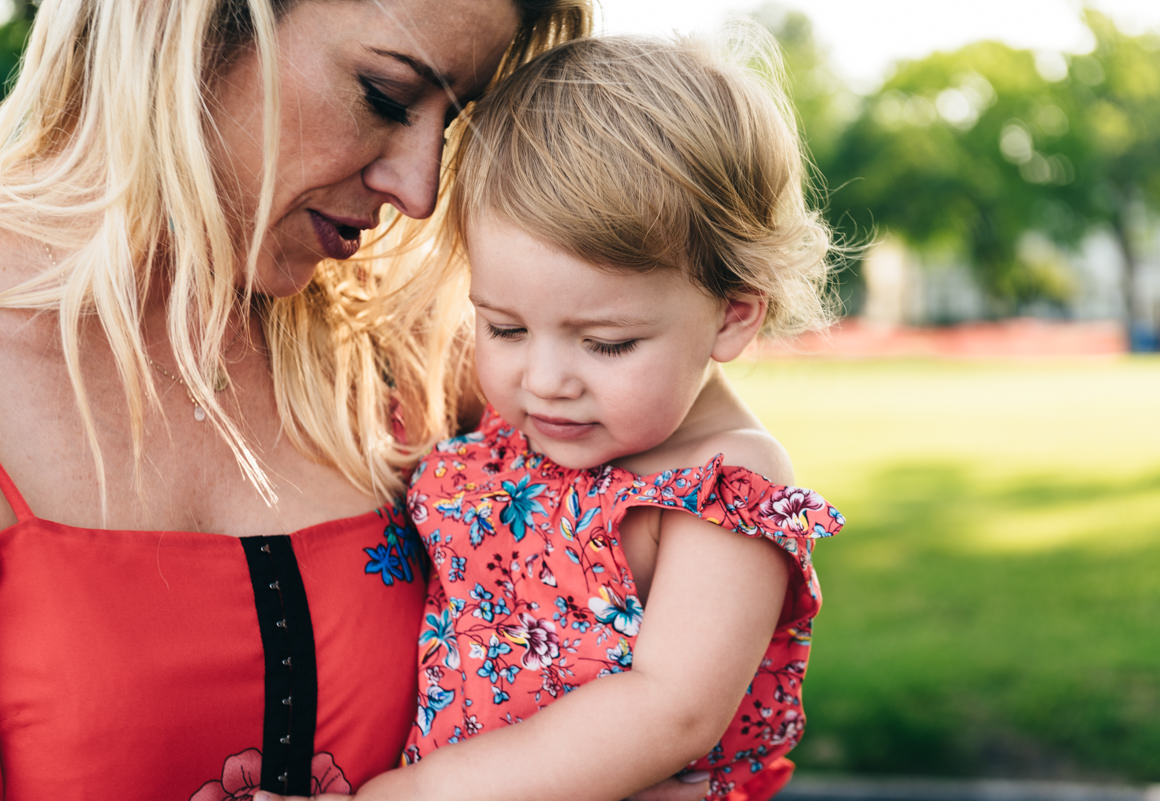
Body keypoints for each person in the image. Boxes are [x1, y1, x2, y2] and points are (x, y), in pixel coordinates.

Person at [0, 1, 598, 798]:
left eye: (452, 120)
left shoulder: (410, 353)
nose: (421, 188)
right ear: (196, 26)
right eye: (387, 96)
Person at [257, 33, 846, 801]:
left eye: (606, 343)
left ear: (732, 315)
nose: (543, 380)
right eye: (504, 327)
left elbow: (670, 711)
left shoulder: (726, 484)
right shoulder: (517, 432)